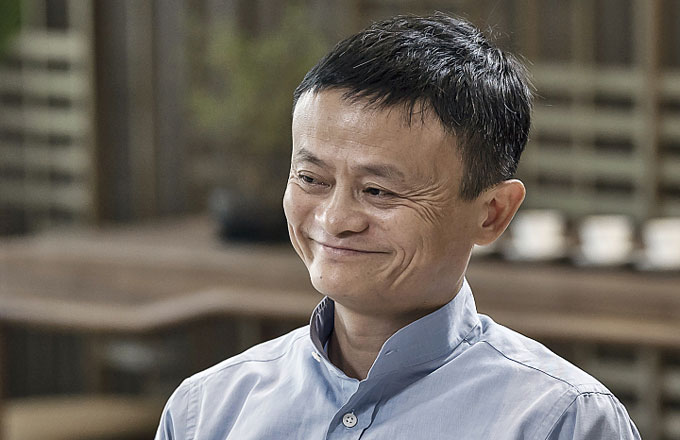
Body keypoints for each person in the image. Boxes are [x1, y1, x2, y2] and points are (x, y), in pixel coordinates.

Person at [156, 13, 641, 439]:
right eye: (312, 179)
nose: (335, 219)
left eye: (378, 191)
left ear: (492, 212)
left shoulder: (562, 421)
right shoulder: (208, 411)